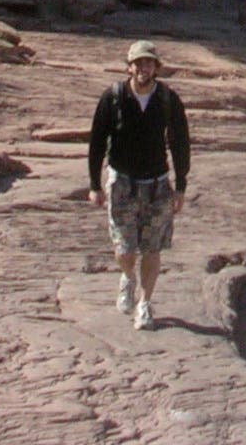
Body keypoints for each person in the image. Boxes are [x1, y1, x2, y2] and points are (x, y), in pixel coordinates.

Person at [87, 39, 190, 331]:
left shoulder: (168, 99)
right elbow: (97, 141)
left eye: (150, 63)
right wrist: (94, 184)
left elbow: (181, 142)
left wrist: (180, 185)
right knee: (125, 248)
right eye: (139, 63)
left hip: (157, 183)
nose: (144, 68)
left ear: (156, 67)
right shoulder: (113, 97)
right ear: (129, 67)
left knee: (152, 248)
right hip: (122, 182)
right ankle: (127, 277)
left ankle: (144, 304)